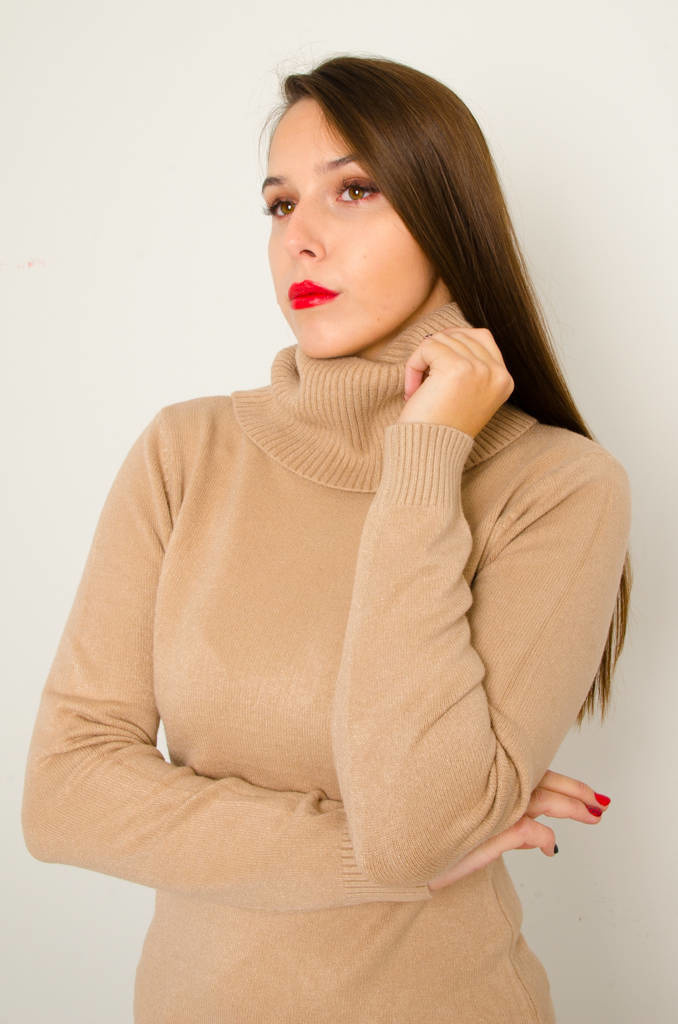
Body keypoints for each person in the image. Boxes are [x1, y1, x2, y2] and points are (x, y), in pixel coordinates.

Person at [21, 54, 632, 1023]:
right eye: (279, 205)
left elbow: (416, 825)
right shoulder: (186, 453)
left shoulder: (557, 488)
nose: (298, 239)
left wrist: (426, 455)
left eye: (353, 190)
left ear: (447, 213)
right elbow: (64, 795)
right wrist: (376, 857)